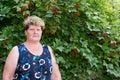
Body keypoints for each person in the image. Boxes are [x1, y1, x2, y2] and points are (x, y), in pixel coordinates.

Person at [2, 15, 62, 80]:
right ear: (25, 32)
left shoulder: (48, 50)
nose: (35, 32)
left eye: (38, 30)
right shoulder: (17, 50)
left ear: (41, 32)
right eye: (32, 29)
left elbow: (56, 76)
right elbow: (7, 77)